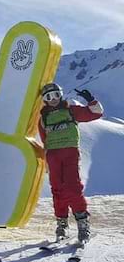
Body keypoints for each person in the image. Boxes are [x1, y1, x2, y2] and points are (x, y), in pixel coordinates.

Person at [38, 83, 103, 243]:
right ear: (44, 100)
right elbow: (44, 139)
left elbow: (96, 114)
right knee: (57, 189)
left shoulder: (70, 110)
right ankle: (62, 224)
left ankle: (82, 224)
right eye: (48, 97)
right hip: (53, 155)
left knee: (73, 188)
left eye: (55, 95)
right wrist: (47, 160)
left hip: (70, 153)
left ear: (60, 95)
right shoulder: (43, 118)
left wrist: (91, 100)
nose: (52, 100)